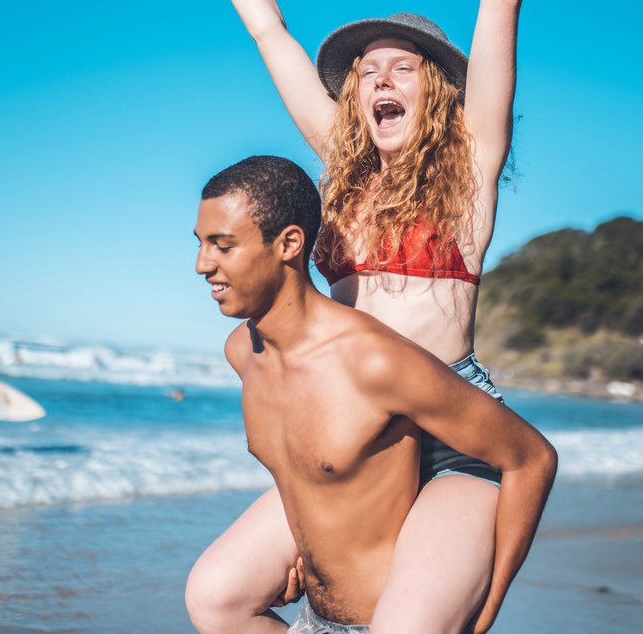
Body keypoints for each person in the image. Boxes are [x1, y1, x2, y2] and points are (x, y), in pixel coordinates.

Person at [171, 0, 621, 631]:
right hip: (350, 424)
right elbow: (271, 34)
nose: (377, 78)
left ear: (441, 91)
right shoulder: (337, 176)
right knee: (220, 598)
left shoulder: (471, 171)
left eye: (401, 67)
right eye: (366, 70)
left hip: (453, 436)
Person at [194, 156, 557, 633]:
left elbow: (532, 458)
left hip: (387, 619)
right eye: (200, 245)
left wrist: (487, 607)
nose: (202, 265)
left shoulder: (374, 361)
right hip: (318, 616)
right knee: (212, 598)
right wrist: (307, 548)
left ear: (288, 244)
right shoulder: (243, 351)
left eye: (223, 246)